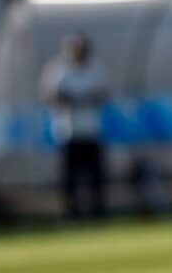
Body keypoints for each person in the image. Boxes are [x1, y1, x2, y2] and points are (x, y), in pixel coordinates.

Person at [41, 33, 109, 220]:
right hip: (68, 131)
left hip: (92, 130)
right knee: (69, 178)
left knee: (96, 176)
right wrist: (74, 99)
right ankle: (71, 214)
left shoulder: (96, 68)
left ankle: (97, 212)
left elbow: (102, 94)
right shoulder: (59, 69)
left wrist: (84, 98)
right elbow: (52, 95)